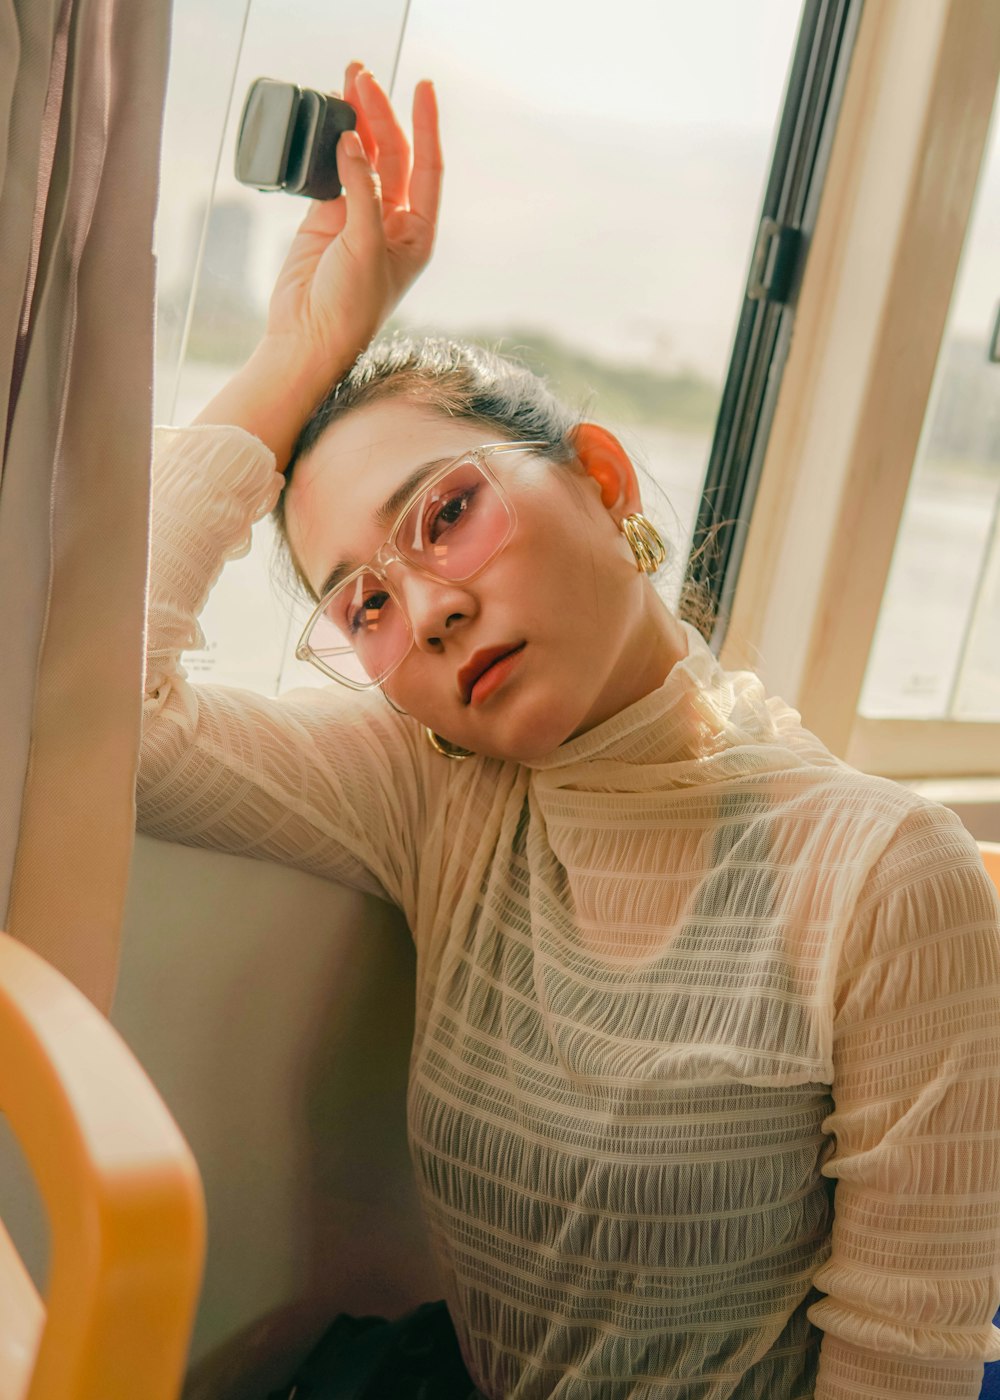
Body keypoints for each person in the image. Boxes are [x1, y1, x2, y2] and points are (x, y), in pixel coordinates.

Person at [139, 61, 1000, 1400]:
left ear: (600, 481)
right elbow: (107, 711)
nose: (422, 611)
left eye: (445, 513)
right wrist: (298, 350)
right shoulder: (442, 794)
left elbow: (905, 1368)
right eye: (360, 603)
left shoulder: (887, 878)